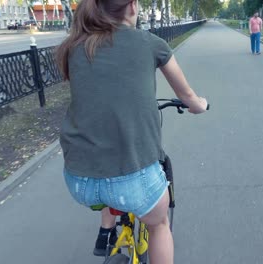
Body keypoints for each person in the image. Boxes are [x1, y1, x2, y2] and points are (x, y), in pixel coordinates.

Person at [55, 0, 208, 262]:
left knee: (107, 169)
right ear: (133, 6)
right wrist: (199, 106)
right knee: (158, 225)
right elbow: (188, 95)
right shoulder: (149, 43)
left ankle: (106, 231)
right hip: (132, 182)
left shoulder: (75, 46)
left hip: (78, 180)